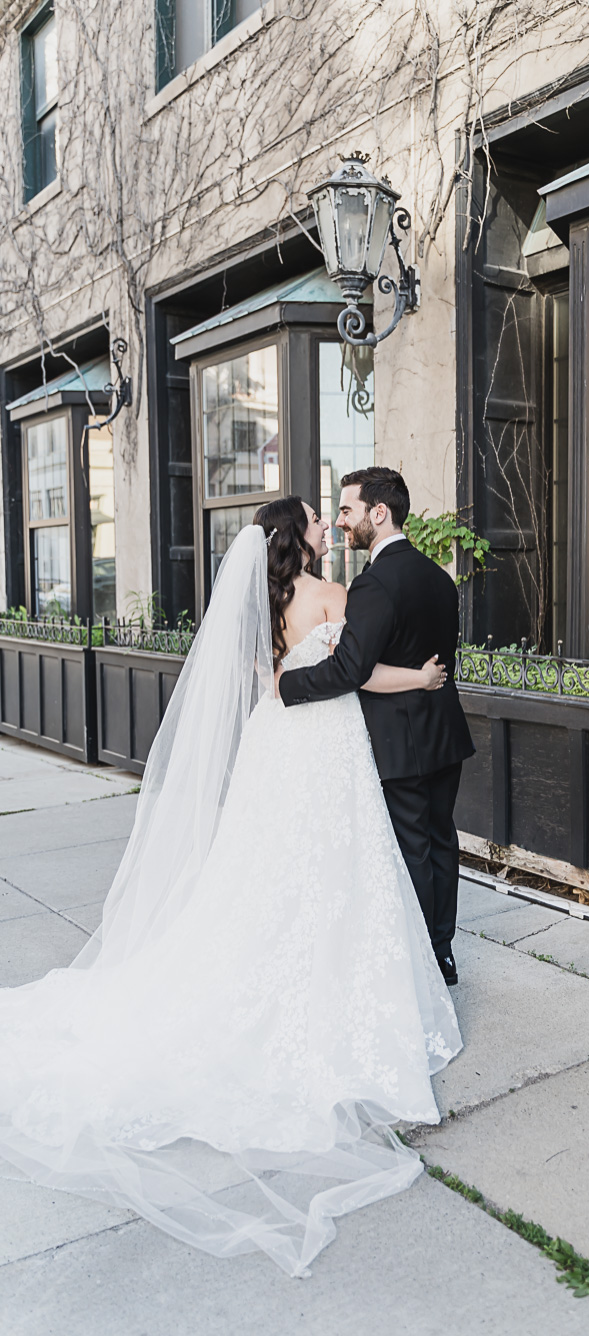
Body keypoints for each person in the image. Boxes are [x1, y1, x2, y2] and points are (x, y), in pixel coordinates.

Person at [0, 497, 462, 1278]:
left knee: (267, 870)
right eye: (319, 519)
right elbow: (356, 673)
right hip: (322, 746)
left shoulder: (264, 600)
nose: (326, 526)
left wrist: (292, 682)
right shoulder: (332, 596)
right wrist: (418, 675)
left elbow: (273, 675)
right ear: (299, 537)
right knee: (332, 866)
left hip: (274, 745)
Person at [276, 467, 476, 988]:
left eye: (348, 510)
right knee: (441, 840)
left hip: (398, 741)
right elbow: (441, 659)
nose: (342, 522)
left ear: (378, 512)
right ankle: (444, 951)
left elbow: (350, 670)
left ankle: (425, 963)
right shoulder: (440, 577)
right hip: (444, 732)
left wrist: (287, 686)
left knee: (414, 849)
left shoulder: (373, 584)